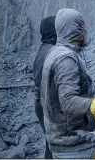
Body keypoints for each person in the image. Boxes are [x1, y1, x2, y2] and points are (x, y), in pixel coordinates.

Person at [40, 8, 95, 158]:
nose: (86, 30)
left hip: (63, 141)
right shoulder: (66, 60)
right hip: (74, 146)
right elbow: (68, 102)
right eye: (83, 26)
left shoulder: (55, 52)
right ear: (75, 29)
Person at [33, 16, 56, 159]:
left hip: (43, 105)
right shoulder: (51, 52)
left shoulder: (44, 50)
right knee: (56, 147)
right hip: (50, 107)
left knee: (51, 145)